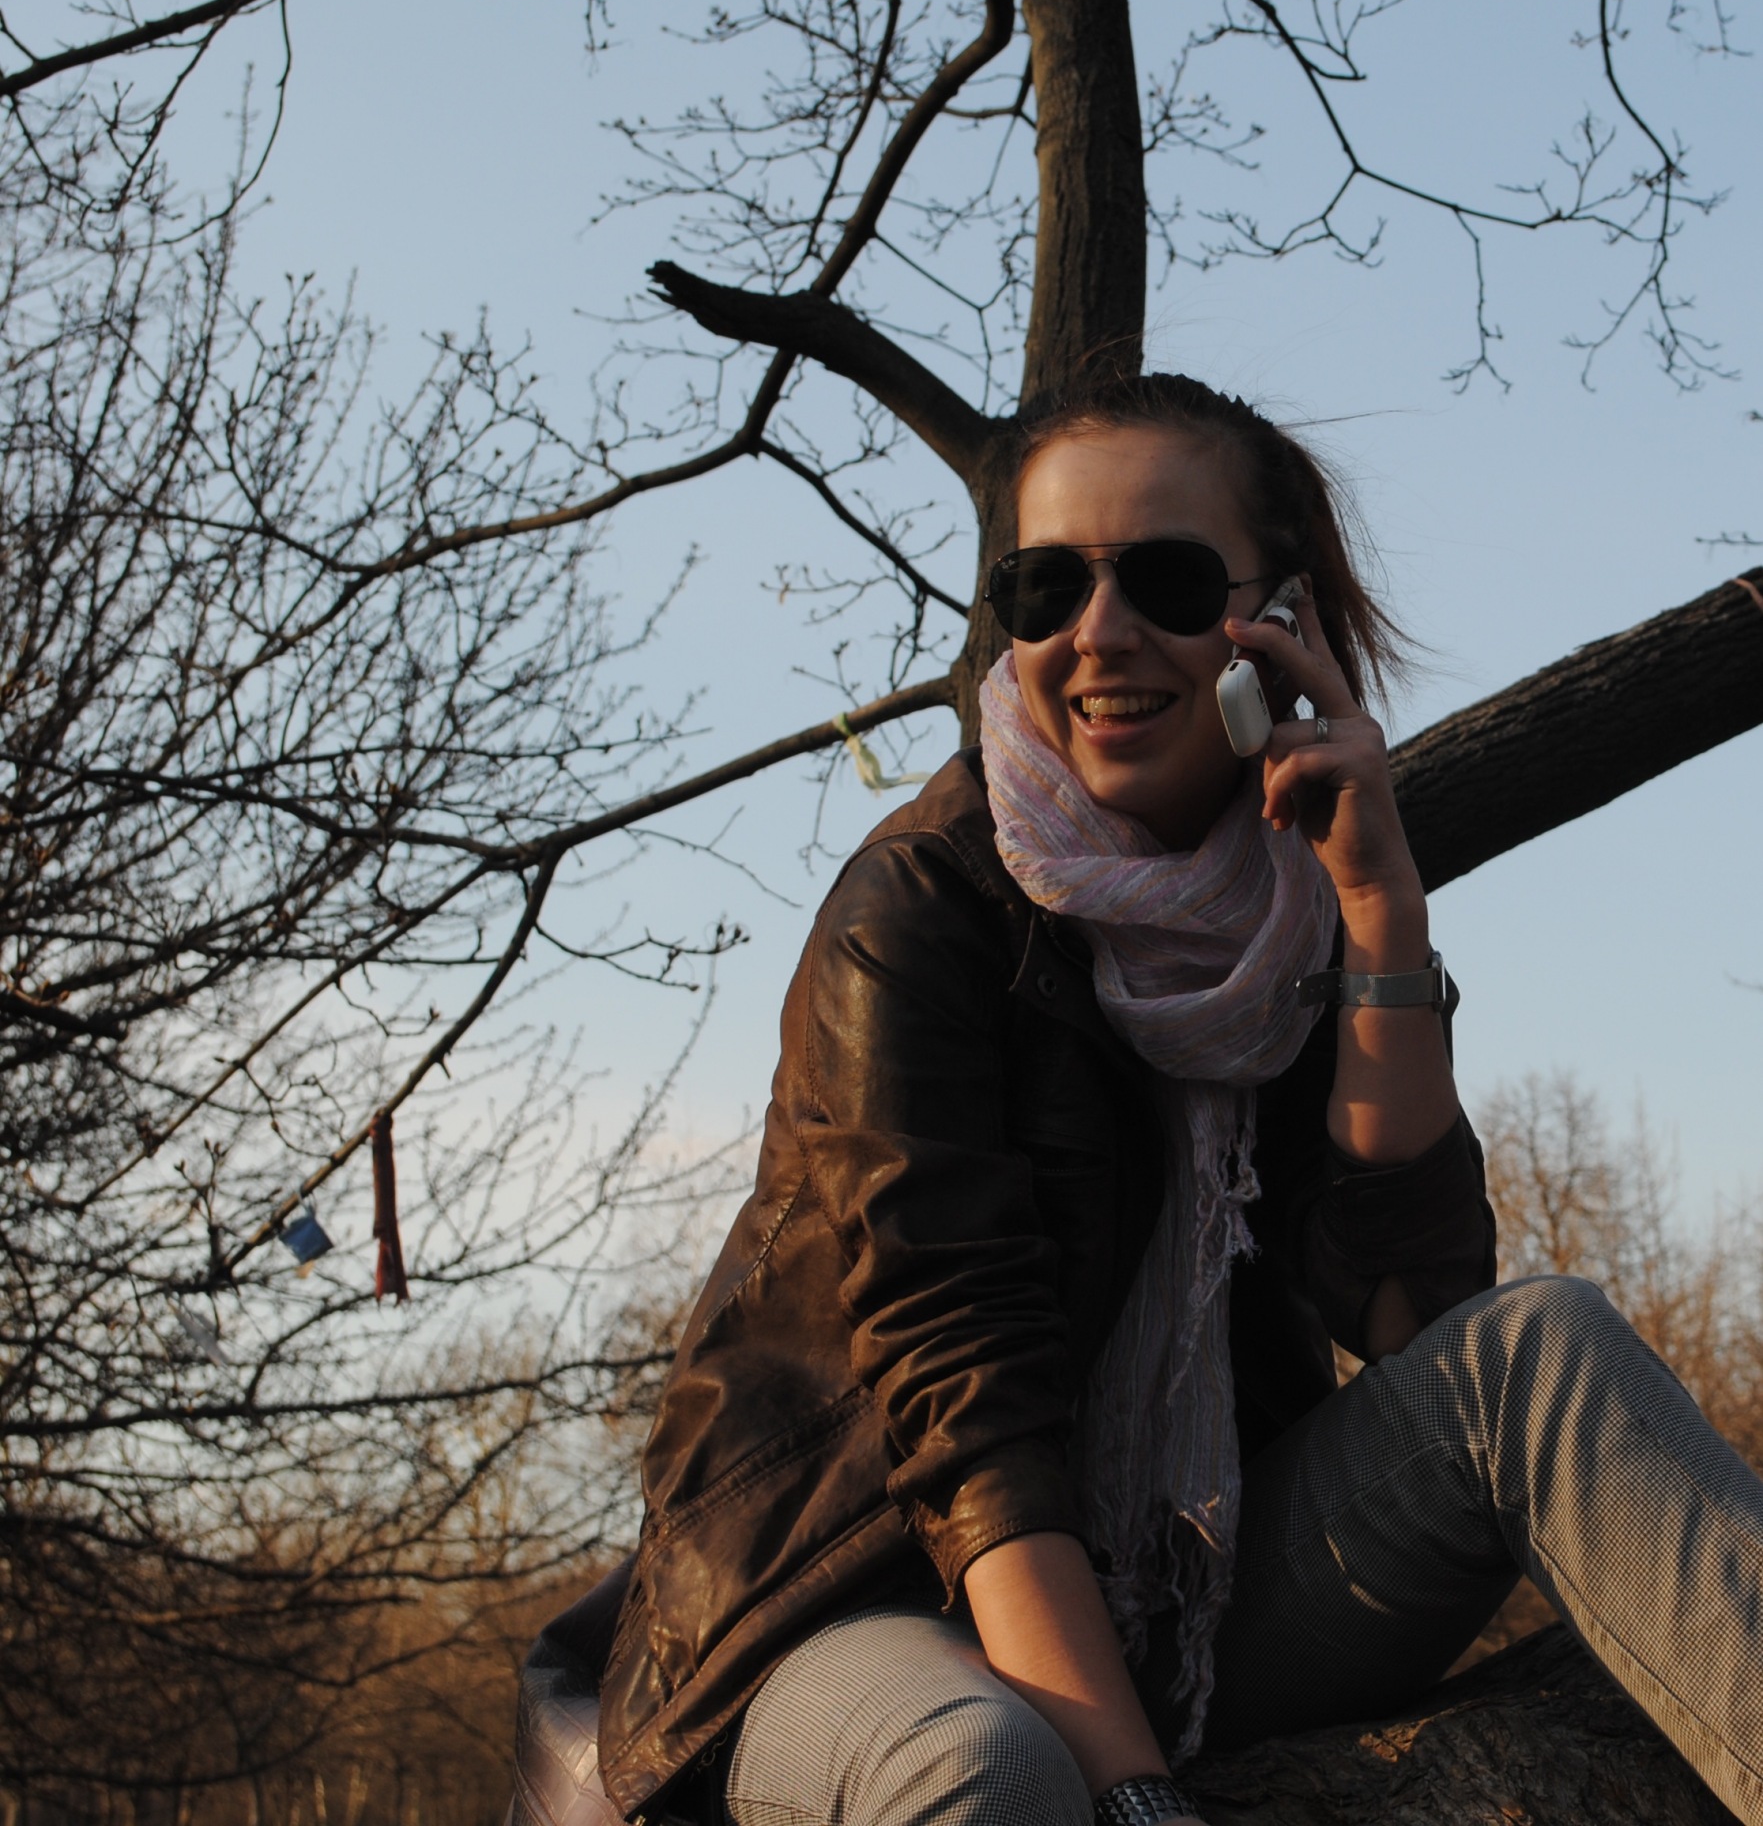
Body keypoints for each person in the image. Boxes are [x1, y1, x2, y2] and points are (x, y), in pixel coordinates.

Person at [513, 370, 1763, 1826]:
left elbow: (1410, 1315)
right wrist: (1136, 1797)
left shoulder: (1287, 914)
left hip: (1189, 1576)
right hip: (868, 1607)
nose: (1099, 633)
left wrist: (1381, 912)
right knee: (988, 1770)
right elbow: (965, 1411)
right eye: (1045, 587)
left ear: (1276, 620)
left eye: (1164, 580)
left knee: (1540, 1351)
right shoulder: (918, 906)